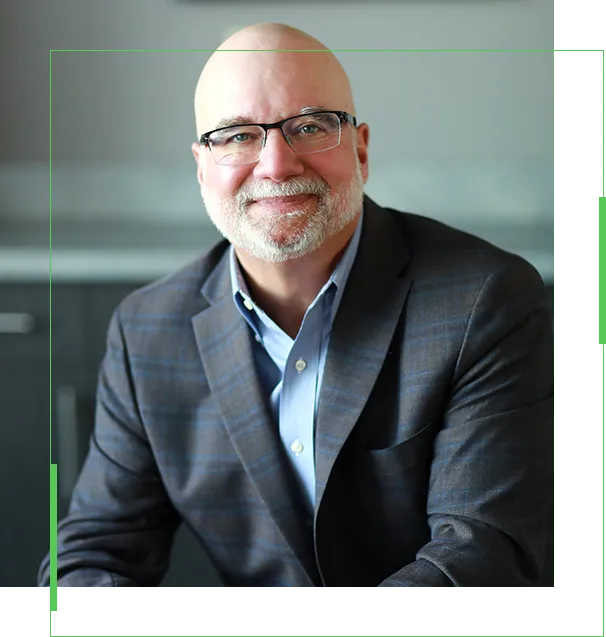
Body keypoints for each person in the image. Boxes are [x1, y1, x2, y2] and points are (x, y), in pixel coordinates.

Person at [39, 23, 554, 589]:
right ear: (201, 166)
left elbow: (481, 558)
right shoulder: (147, 332)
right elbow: (94, 554)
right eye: (236, 135)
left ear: (360, 148)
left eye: (309, 126)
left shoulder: (485, 300)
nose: (277, 164)